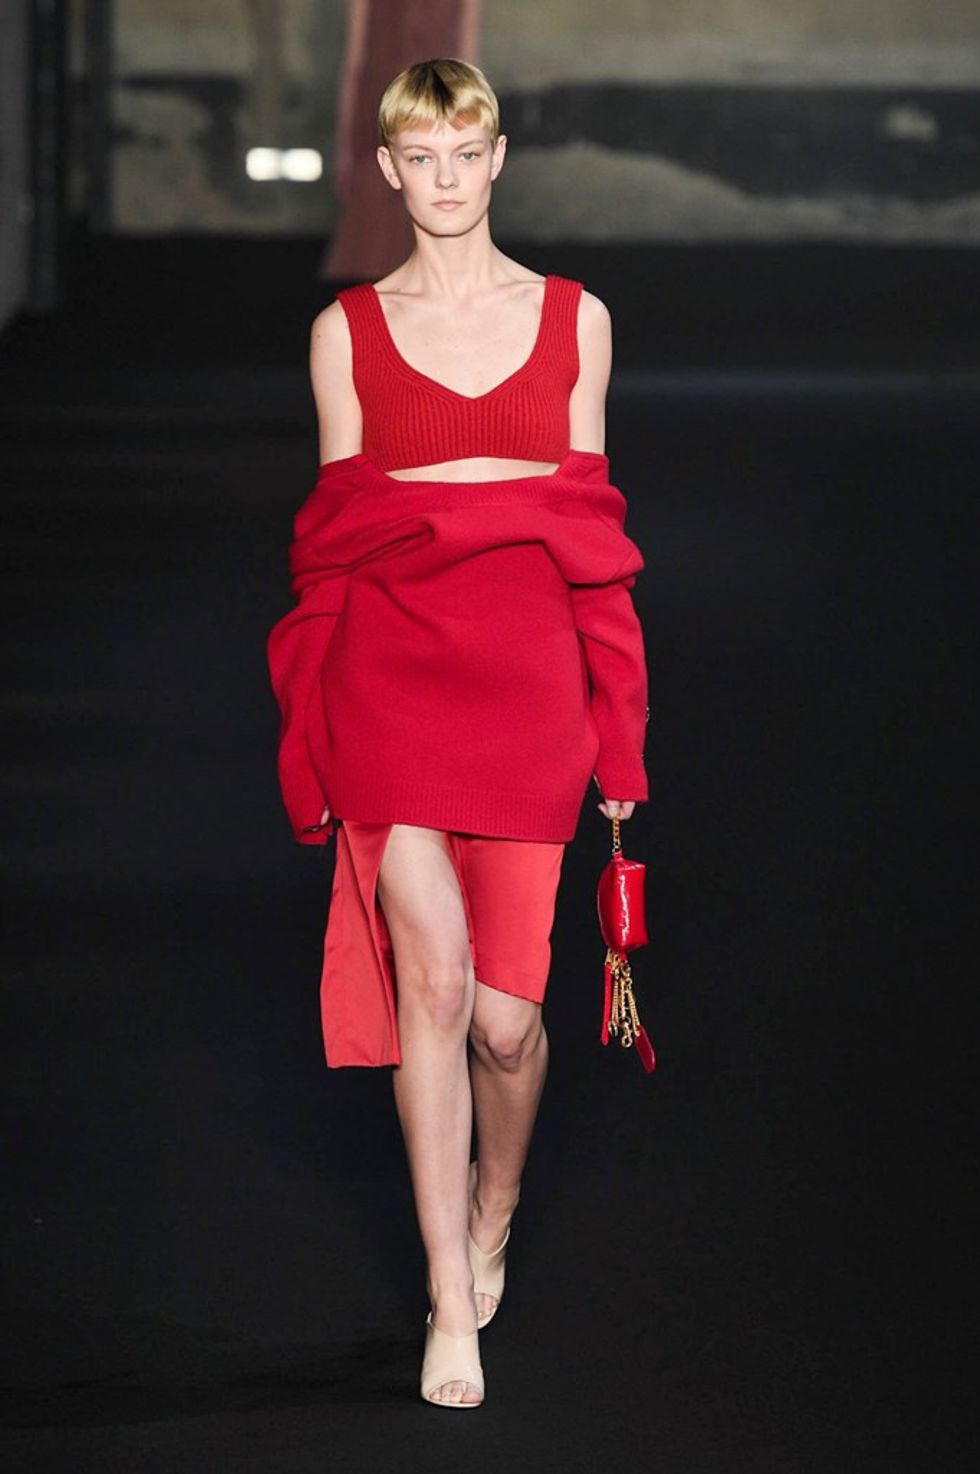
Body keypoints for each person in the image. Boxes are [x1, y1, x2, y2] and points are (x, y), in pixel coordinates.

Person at [266, 58, 649, 1408]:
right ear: (387, 170)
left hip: (528, 692)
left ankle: (497, 1197)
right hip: (389, 682)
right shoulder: (348, 334)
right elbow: (329, 552)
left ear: (496, 159)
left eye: (463, 154)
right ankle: (448, 1294)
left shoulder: (575, 321)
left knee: (505, 1023)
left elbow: (594, 544)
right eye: (417, 158)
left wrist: (621, 742)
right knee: (429, 985)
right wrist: (307, 742)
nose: (442, 180)